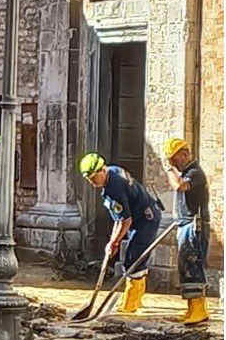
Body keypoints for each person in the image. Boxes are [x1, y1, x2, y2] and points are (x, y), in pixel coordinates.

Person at [78, 152, 163, 314]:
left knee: (133, 260)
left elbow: (125, 220)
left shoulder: (113, 189)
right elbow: (119, 219)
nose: (91, 183)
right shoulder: (113, 170)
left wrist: (113, 242)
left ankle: (132, 302)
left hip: (145, 219)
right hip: (139, 218)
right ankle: (135, 298)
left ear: (102, 170)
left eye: (93, 178)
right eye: (88, 180)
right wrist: (113, 241)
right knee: (134, 257)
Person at [159, 137, 209, 325]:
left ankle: (199, 309)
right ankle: (192, 309)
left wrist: (170, 170)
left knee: (193, 266)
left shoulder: (195, 173)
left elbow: (180, 186)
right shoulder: (187, 172)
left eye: (175, 159)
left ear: (185, 154)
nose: (173, 163)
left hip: (194, 226)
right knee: (185, 267)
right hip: (184, 224)